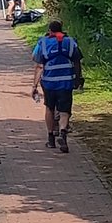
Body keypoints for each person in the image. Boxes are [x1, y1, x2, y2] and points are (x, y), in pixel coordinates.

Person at [31, 19, 84, 153]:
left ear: (49, 30)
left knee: (50, 108)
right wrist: (78, 78)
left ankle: (50, 138)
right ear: (61, 29)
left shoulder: (43, 43)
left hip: (49, 82)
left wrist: (34, 85)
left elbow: (38, 63)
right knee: (64, 110)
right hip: (66, 82)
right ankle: (62, 133)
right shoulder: (70, 42)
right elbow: (77, 61)